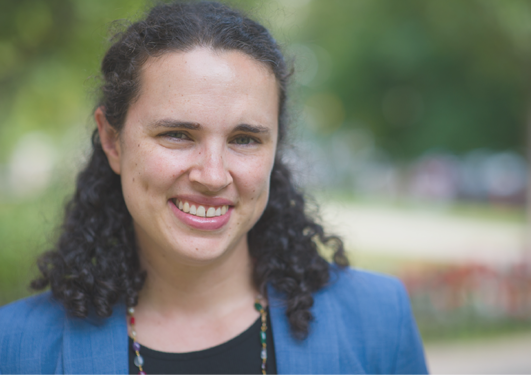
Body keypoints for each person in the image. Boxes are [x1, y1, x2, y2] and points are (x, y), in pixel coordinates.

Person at [0, 2, 428, 374]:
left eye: (245, 139)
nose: (212, 175)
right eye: (178, 135)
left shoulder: (379, 318)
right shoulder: (15, 348)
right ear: (112, 140)